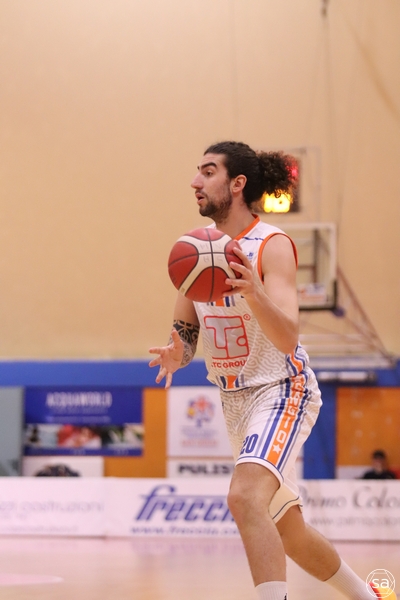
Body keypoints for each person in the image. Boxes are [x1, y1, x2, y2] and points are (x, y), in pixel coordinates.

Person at [149, 141, 393, 600]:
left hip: (281, 389)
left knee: (243, 498)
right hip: (234, 403)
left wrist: (255, 292)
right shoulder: (195, 249)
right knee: (290, 532)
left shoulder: (272, 245)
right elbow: (186, 334)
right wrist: (175, 353)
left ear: (237, 184)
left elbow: (287, 337)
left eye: (208, 172)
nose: (195, 181)